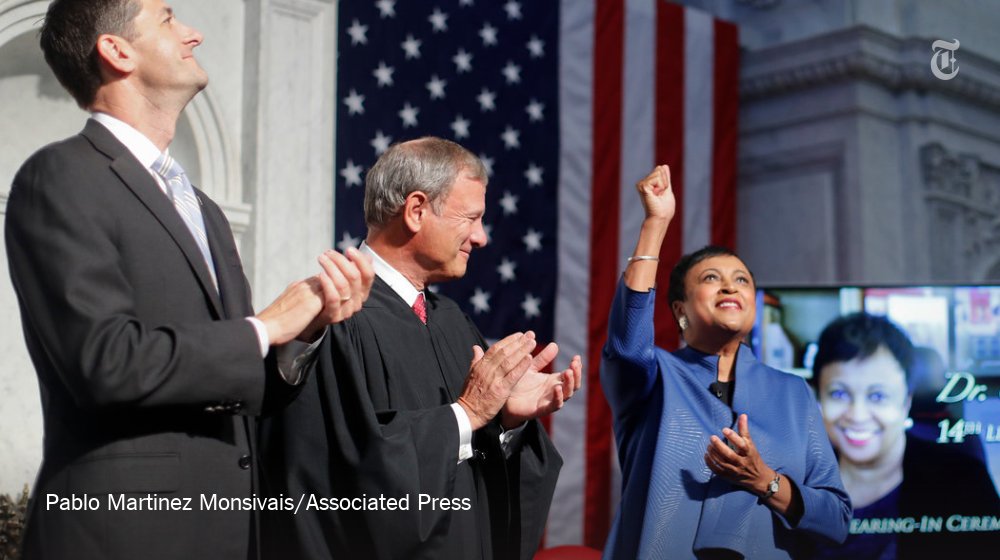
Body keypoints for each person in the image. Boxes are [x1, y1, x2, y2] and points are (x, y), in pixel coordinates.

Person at [4, 1, 374, 558]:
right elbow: (106, 362)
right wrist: (263, 327)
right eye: (169, 18)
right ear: (117, 50)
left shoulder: (203, 209)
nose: (194, 34)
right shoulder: (59, 175)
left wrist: (304, 332)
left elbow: (237, 388)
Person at [260, 137, 581, 559]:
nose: (481, 238)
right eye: (472, 218)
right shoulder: (330, 320)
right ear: (416, 211)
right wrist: (467, 414)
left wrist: (504, 422)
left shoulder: (451, 321)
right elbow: (338, 477)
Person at [600, 165, 851, 559]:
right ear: (680, 310)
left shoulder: (792, 393)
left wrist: (765, 480)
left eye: (742, 280)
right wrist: (656, 221)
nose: (730, 285)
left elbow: (836, 519)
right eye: (712, 278)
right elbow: (627, 343)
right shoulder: (654, 378)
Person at [810, 313, 1000, 559]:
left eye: (877, 396)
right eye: (838, 394)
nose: (857, 415)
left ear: (906, 402)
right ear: (818, 398)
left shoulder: (963, 480)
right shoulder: (794, 481)